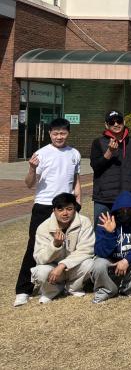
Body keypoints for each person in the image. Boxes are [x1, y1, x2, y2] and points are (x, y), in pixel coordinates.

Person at [14, 117, 81, 307]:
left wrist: (78, 202)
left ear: (68, 133)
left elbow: (75, 181)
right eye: (55, 133)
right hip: (44, 206)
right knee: (34, 246)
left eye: (63, 133)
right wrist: (32, 168)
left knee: (68, 246)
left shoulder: (74, 153)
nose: (59, 137)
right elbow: (29, 184)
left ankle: (63, 284)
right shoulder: (41, 154)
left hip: (67, 206)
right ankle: (23, 290)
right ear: (49, 134)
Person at [31, 192, 94, 303]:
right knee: (39, 271)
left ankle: (73, 287)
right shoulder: (43, 227)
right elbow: (39, 258)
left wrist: (63, 265)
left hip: (73, 267)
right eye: (60, 210)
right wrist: (55, 245)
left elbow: (87, 250)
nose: (65, 213)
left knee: (91, 264)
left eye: (69, 209)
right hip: (52, 268)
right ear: (54, 211)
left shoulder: (84, 222)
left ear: (75, 209)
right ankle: (52, 291)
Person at [91, 191, 131, 303]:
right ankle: (107, 290)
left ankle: (129, 288)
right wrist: (109, 233)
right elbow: (100, 252)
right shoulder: (105, 221)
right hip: (111, 262)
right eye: (121, 211)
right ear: (115, 211)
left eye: (129, 210)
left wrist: (127, 260)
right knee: (98, 264)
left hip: (130, 263)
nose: (125, 214)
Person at [90, 110, 131, 222]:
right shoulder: (98, 142)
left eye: (119, 121)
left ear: (124, 122)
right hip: (104, 198)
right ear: (106, 125)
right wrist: (109, 152)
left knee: (128, 231)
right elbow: (95, 166)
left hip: (128, 198)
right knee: (102, 230)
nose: (116, 124)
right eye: (111, 122)